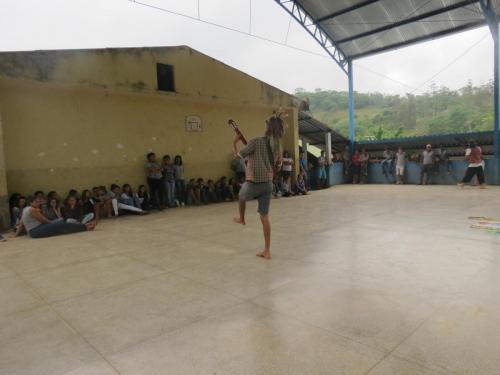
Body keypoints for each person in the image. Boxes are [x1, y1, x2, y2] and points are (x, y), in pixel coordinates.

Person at [232, 113, 284, 260]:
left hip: (254, 183)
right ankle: (267, 250)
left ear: (267, 127)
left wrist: (235, 143)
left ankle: (242, 219)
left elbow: (237, 156)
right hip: (268, 184)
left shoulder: (255, 141)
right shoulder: (278, 146)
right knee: (264, 217)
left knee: (241, 196)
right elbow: (278, 165)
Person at [15, 196, 96, 238]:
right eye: (36, 202)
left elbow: (22, 223)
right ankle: (85, 227)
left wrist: (16, 234)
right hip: (36, 231)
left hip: (34, 231)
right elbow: (44, 220)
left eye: (39, 201)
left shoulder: (26, 209)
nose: (38, 203)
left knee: (60, 223)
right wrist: (54, 224)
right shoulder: (33, 210)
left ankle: (82, 225)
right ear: (31, 202)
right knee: (61, 225)